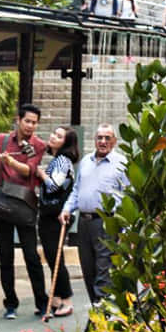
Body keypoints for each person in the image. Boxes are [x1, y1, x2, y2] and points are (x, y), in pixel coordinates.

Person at [0, 104, 49, 320]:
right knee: (5, 256)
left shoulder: (39, 145)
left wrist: (10, 161)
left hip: (25, 205)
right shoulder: (2, 140)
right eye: (28, 121)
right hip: (3, 204)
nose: (31, 126)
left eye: (34, 122)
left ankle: (42, 302)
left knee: (32, 256)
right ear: (18, 120)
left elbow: (29, 170)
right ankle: (10, 304)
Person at [60, 124, 128, 308]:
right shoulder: (85, 162)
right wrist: (67, 209)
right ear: (94, 140)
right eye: (100, 138)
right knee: (88, 270)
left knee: (103, 271)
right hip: (84, 223)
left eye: (107, 138)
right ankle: (97, 311)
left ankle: (102, 318)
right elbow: (76, 190)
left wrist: (126, 229)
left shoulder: (121, 163)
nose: (103, 141)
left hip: (107, 223)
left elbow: (129, 195)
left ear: (114, 141)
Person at [37, 126, 79, 318]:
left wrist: (41, 174)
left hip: (56, 216)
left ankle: (67, 299)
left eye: (59, 136)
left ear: (66, 143)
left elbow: (54, 185)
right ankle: (56, 298)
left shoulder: (63, 161)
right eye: (54, 133)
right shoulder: (57, 160)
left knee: (55, 257)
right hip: (49, 215)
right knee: (52, 256)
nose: (53, 136)